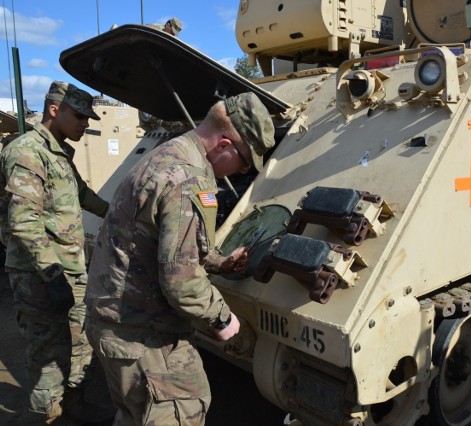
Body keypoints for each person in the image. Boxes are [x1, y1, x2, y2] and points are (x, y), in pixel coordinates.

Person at [84, 92, 275, 425]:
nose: (244, 171)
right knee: (183, 406)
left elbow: (155, 238)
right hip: (145, 338)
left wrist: (217, 261)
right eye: (245, 161)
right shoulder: (189, 180)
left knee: (135, 414)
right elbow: (182, 285)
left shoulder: (166, 155)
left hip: (113, 326)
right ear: (224, 144)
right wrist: (227, 323)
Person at [0, 81, 111, 423]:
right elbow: (23, 221)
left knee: (80, 344)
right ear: (54, 110)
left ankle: (73, 406)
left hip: (70, 270)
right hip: (40, 274)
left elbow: (82, 195)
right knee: (49, 354)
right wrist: (51, 275)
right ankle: (45, 416)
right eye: (79, 116)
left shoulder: (58, 153)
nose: (85, 124)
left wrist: (122, 215)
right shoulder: (28, 151)